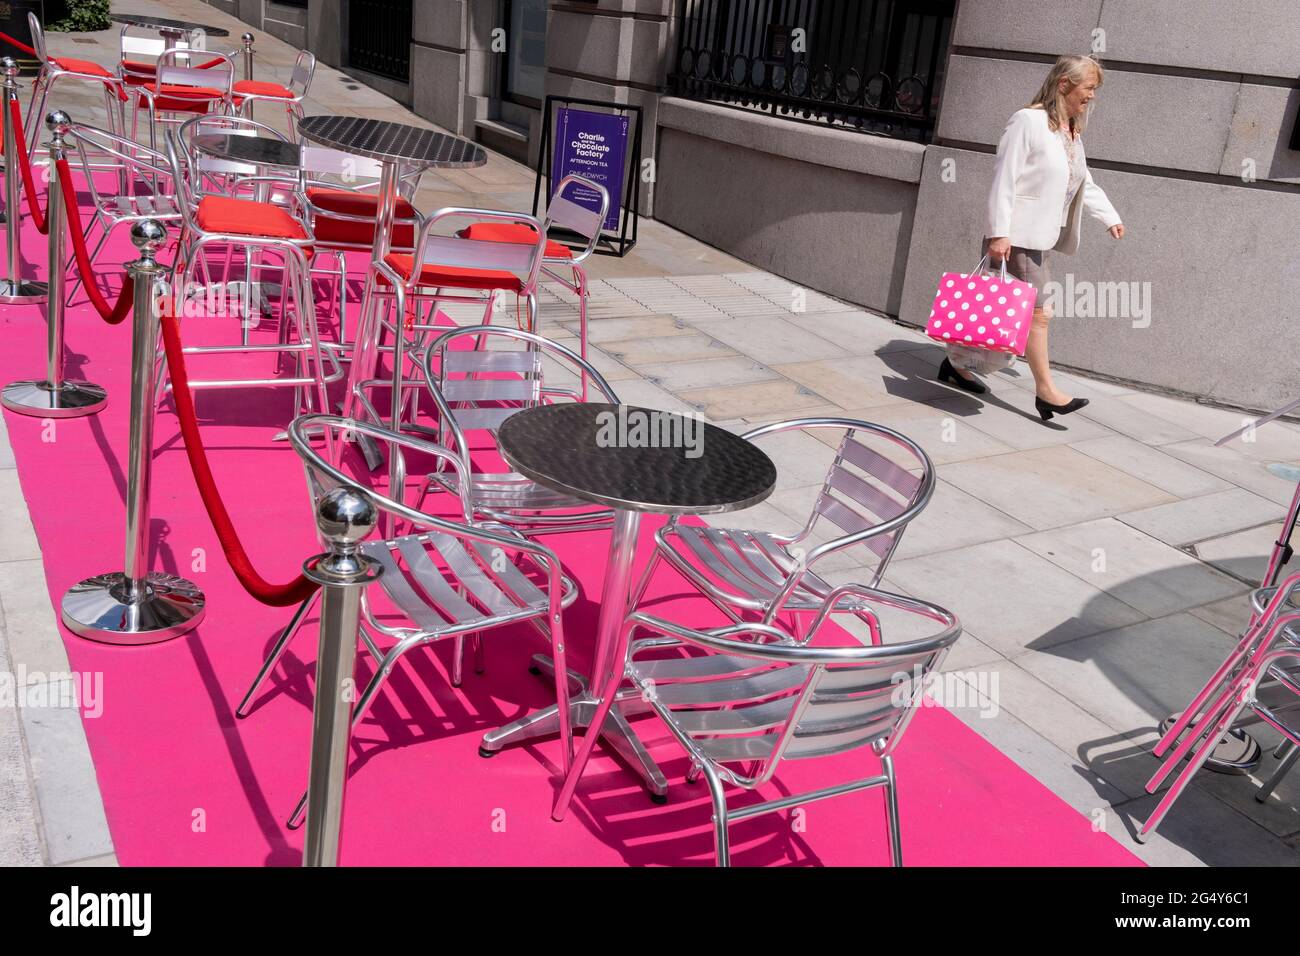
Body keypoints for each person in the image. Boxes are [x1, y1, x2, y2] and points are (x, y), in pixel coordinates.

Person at [938, 54, 1125, 422]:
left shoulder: (1068, 130)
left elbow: (1083, 181)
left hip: (1041, 240)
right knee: (1039, 313)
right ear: (1064, 84)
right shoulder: (1028, 121)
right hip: (1017, 238)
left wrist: (1109, 216)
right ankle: (1046, 392)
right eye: (1089, 88)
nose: (1092, 97)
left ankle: (955, 362)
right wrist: (999, 232)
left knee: (1001, 311)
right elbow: (1004, 177)